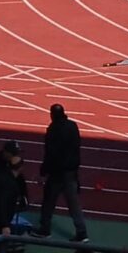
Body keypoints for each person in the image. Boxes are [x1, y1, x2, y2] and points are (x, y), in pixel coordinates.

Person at [34, 103, 88, 243]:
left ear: (52, 115)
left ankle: (45, 229)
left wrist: (43, 171)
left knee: (48, 202)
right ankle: (82, 232)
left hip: (57, 173)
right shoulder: (73, 126)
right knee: (74, 204)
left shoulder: (53, 130)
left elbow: (50, 153)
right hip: (71, 172)